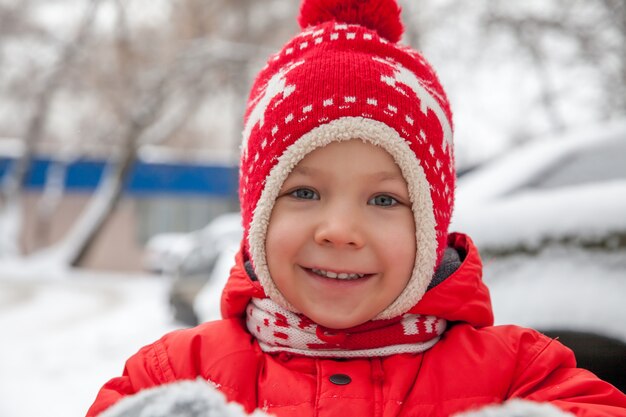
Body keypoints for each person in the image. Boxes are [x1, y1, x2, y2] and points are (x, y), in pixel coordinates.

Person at [86, 0, 626, 416]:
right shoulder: (178, 375)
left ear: (430, 228)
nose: (341, 230)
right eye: (303, 192)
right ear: (257, 215)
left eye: (385, 199)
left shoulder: (520, 375)